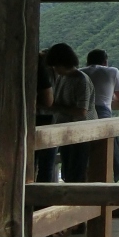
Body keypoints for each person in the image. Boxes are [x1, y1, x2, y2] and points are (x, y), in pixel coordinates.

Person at [45, 43, 97, 182]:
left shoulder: (81, 79)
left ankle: (77, 202)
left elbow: (82, 111)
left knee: (77, 170)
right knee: (68, 169)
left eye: (56, 66)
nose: (55, 70)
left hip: (81, 131)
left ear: (63, 63)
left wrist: (56, 107)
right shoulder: (63, 77)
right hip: (67, 130)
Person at [83, 49, 119, 181]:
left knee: (86, 152)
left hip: (83, 114)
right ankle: (110, 180)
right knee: (111, 152)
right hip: (103, 112)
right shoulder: (112, 71)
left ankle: (84, 182)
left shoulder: (80, 72)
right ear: (105, 61)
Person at [34, 51, 56, 182]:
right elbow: (48, 100)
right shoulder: (48, 72)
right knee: (46, 164)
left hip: (31, 119)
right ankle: (42, 201)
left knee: (29, 162)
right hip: (49, 119)